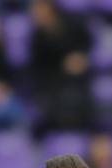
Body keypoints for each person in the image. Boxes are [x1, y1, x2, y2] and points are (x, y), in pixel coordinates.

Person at [27, 0, 94, 133]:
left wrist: (80, 57)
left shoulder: (71, 23)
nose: (35, 13)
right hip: (52, 83)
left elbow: (87, 41)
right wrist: (63, 65)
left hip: (77, 79)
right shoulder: (38, 37)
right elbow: (39, 68)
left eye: (39, 8)